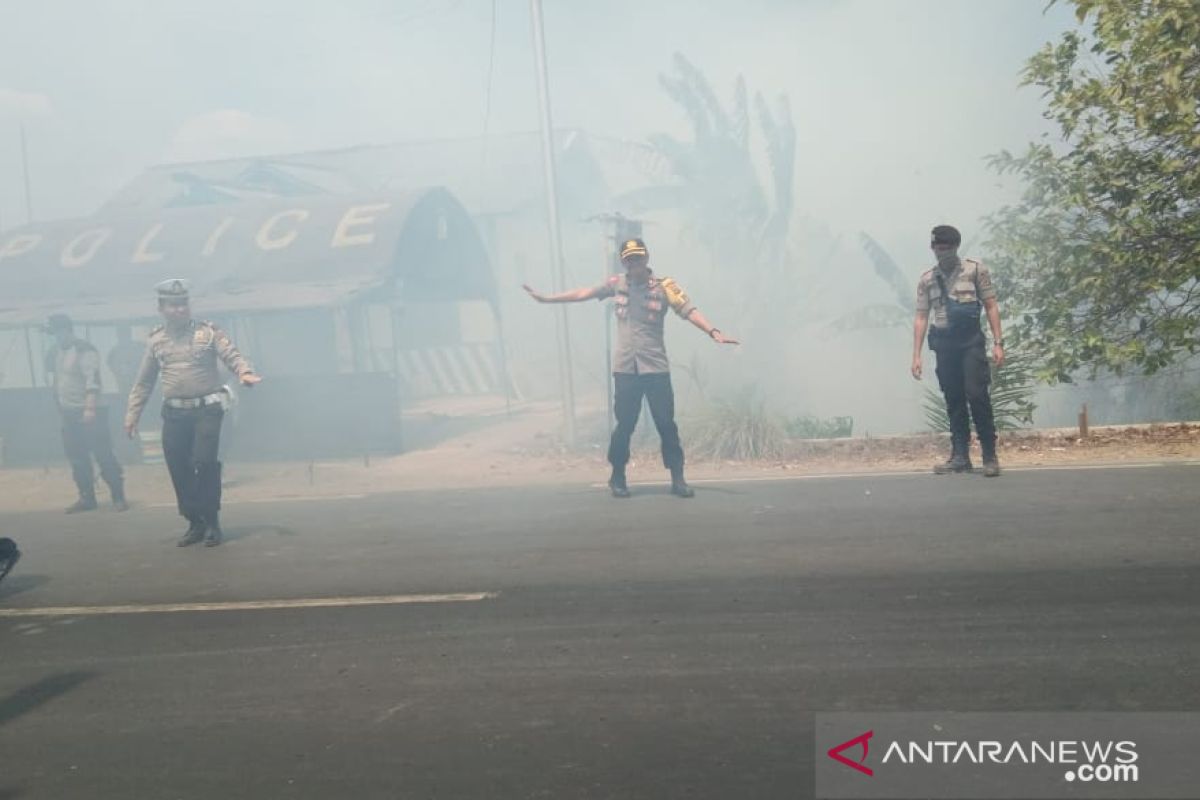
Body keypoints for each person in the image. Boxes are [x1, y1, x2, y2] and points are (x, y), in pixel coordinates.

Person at [524, 237, 738, 498]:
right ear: (623, 262)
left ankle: (678, 477)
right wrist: (547, 299)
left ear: (647, 258)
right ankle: (617, 476)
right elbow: (583, 293)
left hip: (656, 368)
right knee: (625, 424)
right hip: (626, 369)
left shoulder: (665, 287)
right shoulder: (617, 284)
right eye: (629, 259)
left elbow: (689, 310)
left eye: (638, 258)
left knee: (666, 424)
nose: (634, 263)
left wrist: (712, 331)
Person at [124, 279, 261, 547]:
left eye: (183, 304)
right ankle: (193, 521)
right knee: (178, 467)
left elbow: (231, 355)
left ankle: (211, 521)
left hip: (207, 410)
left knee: (205, 462)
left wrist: (244, 372)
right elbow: (144, 382)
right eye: (173, 305)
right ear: (161, 308)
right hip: (174, 414)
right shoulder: (156, 341)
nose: (179, 309)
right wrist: (132, 415)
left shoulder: (207, 333)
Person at [910, 225, 1004, 477]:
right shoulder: (927, 279)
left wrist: (998, 342)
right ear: (933, 249)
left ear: (956, 247)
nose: (943, 253)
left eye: (947, 248)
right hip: (944, 345)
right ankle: (960, 455)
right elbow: (921, 317)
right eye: (938, 248)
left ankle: (989, 455)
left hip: (970, 341)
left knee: (977, 395)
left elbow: (991, 305)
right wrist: (916, 355)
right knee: (954, 400)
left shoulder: (975, 270)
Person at [45, 314, 127, 513]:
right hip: (69, 412)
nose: (55, 337)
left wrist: (89, 409)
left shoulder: (85, 350)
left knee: (103, 454)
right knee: (77, 457)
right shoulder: (56, 352)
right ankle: (87, 497)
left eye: (56, 332)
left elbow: (93, 382)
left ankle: (118, 496)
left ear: (65, 330)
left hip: (92, 411)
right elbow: (56, 377)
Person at [107, 325, 146, 400]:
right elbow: (111, 365)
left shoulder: (139, 346)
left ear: (129, 334)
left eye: (125, 333)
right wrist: (120, 373)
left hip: (140, 384)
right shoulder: (114, 352)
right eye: (121, 334)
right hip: (124, 386)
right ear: (118, 335)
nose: (123, 336)